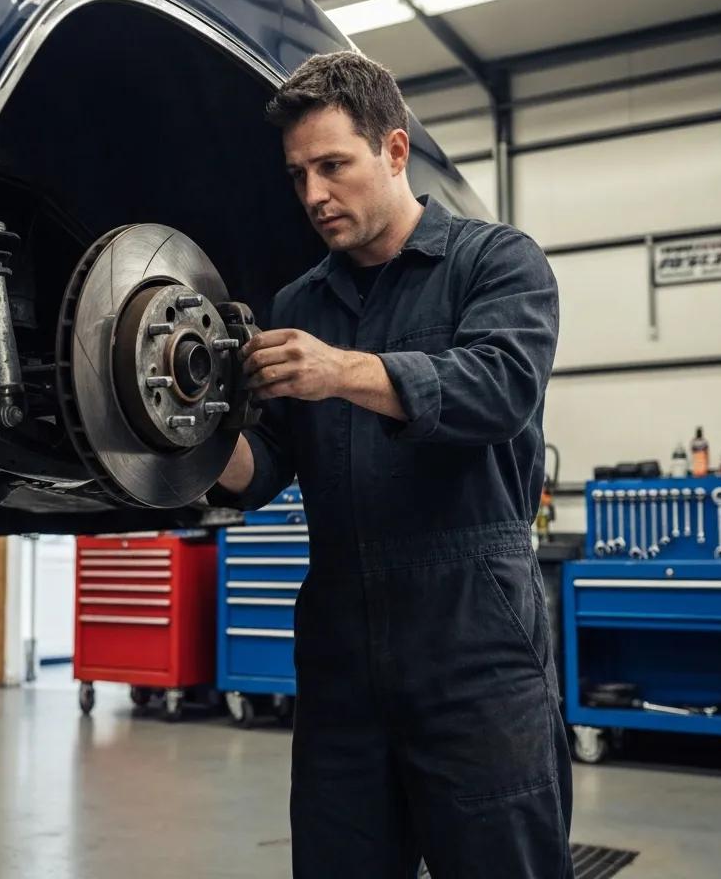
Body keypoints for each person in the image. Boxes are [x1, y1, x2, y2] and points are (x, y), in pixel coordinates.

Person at [210, 51, 571, 879]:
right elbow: (268, 466)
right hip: (340, 643)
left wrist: (342, 370)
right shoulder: (300, 302)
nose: (313, 196)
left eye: (333, 165)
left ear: (395, 151)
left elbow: (498, 390)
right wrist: (180, 439)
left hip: (473, 637)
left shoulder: (497, 263)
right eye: (299, 174)